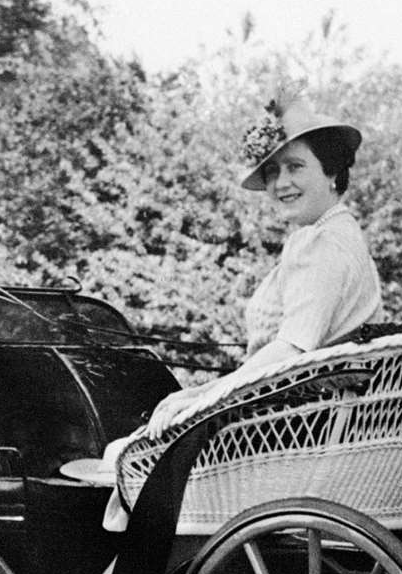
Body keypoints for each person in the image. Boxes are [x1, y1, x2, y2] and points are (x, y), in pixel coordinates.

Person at [139, 97, 385, 437]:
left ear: (332, 173)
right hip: (310, 417)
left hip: (294, 426)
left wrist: (207, 397)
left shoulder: (319, 243)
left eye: (295, 166)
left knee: (121, 454)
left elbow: (291, 349)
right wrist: (199, 392)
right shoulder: (341, 233)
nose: (281, 183)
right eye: (272, 171)